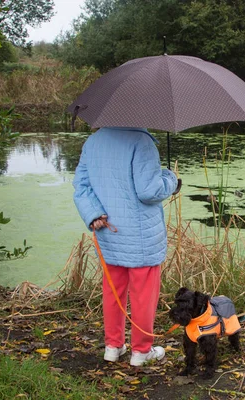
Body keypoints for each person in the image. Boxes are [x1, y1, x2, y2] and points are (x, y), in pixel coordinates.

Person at [73, 126, 181, 365]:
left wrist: (93, 214)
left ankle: (113, 346)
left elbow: (81, 186)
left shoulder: (93, 141)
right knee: (143, 295)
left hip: (108, 231)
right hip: (141, 235)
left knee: (113, 291)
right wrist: (171, 180)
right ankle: (141, 351)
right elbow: (148, 191)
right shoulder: (141, 142)